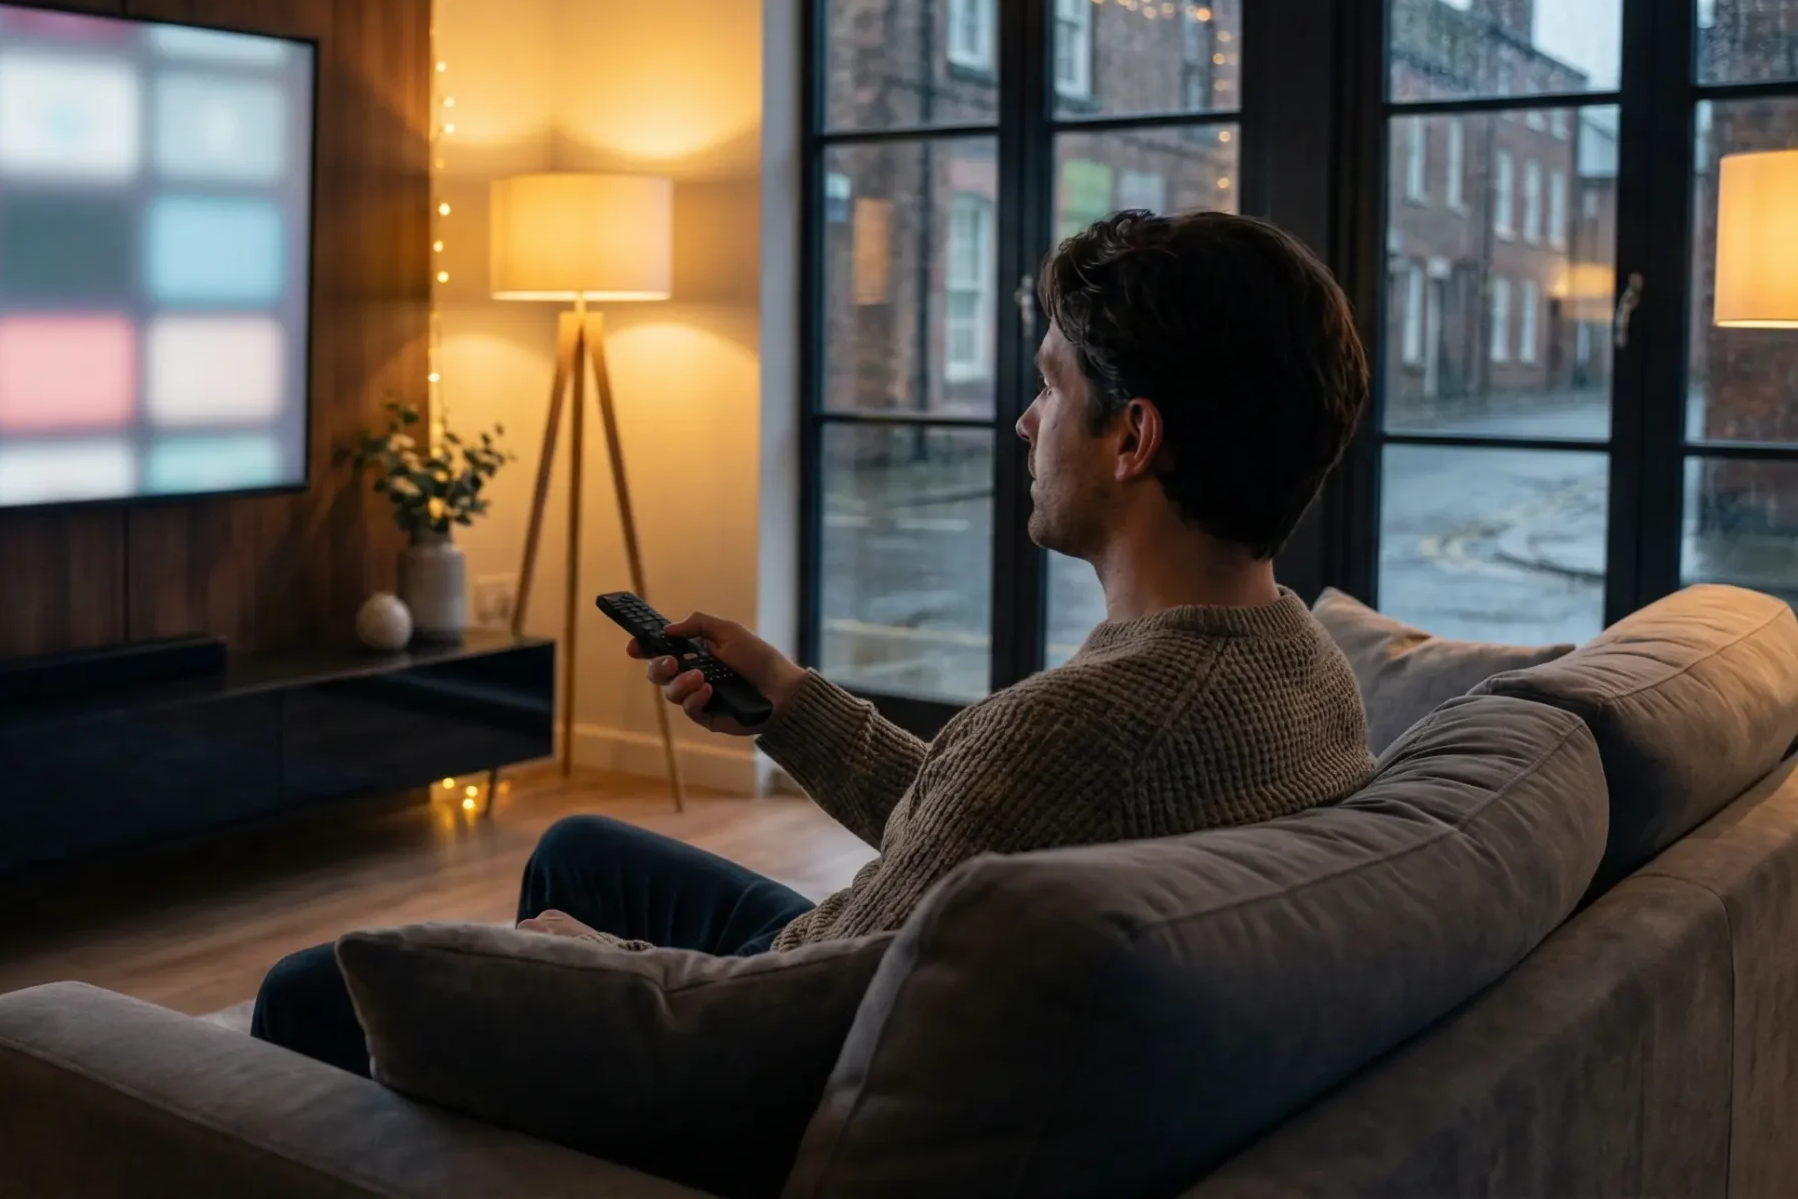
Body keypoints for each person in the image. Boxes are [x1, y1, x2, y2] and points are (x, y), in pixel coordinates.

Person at [251, 208, 1376, 1075]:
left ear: (1133, 437)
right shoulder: (1304, 664)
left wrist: (583, 964)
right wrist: (787, 700)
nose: (1026, 423)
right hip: (917, 982)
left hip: (793, 1037)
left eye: (1049, 385)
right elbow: (987, 826)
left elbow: (779, 1019)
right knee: (584, 849)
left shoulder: (1092, 726)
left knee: (316, 989)